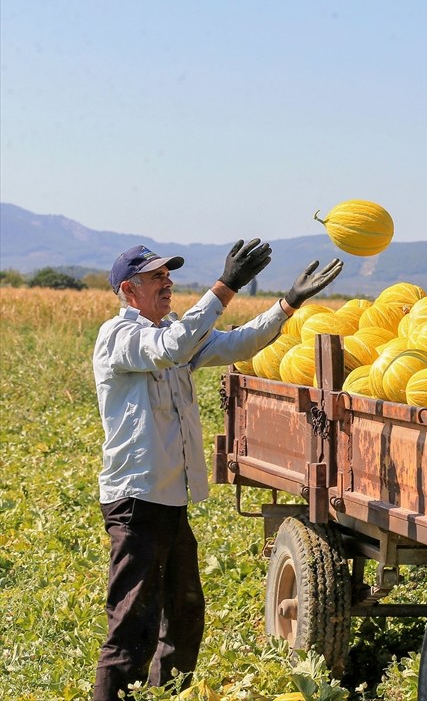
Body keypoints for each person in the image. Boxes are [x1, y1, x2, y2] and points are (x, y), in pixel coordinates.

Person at [92, 240, 343, 700]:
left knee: (185, 615)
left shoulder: (170, 332)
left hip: (168, 501)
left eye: (168, 275)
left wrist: (288, 304)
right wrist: (225, 287)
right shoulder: (121, 337)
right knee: (133, 624)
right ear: (129, 290)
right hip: (136, 501)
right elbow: (171, 347)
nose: (167, 282)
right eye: (155, 277)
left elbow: (234, 343)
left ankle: (165, 693)